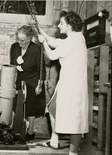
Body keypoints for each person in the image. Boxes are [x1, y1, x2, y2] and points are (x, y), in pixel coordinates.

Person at [37, 11, 89, 155]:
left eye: (62, 24)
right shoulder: (76, 37)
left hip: (72, 85)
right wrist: (42, 32)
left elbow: (52, 55)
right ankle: (55, 139)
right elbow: (55, 42)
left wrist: (43, 43)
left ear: (70, 25)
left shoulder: (73, 40)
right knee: (53, 108)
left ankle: (72, 153)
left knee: (75, 121)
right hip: (69, 82)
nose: (59, 27)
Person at [10, 25, 46, 141]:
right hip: (20, 78)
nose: (19, 42)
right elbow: (11, 65)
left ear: (29, 38)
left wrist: (39, 85)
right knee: (16, 104)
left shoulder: (36, 50)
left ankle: (30, 132)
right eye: (18, 39)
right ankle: (15, 129)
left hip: (33, 80)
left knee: (30, 105)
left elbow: (42, 70)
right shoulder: (14, 47)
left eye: (22, 40)